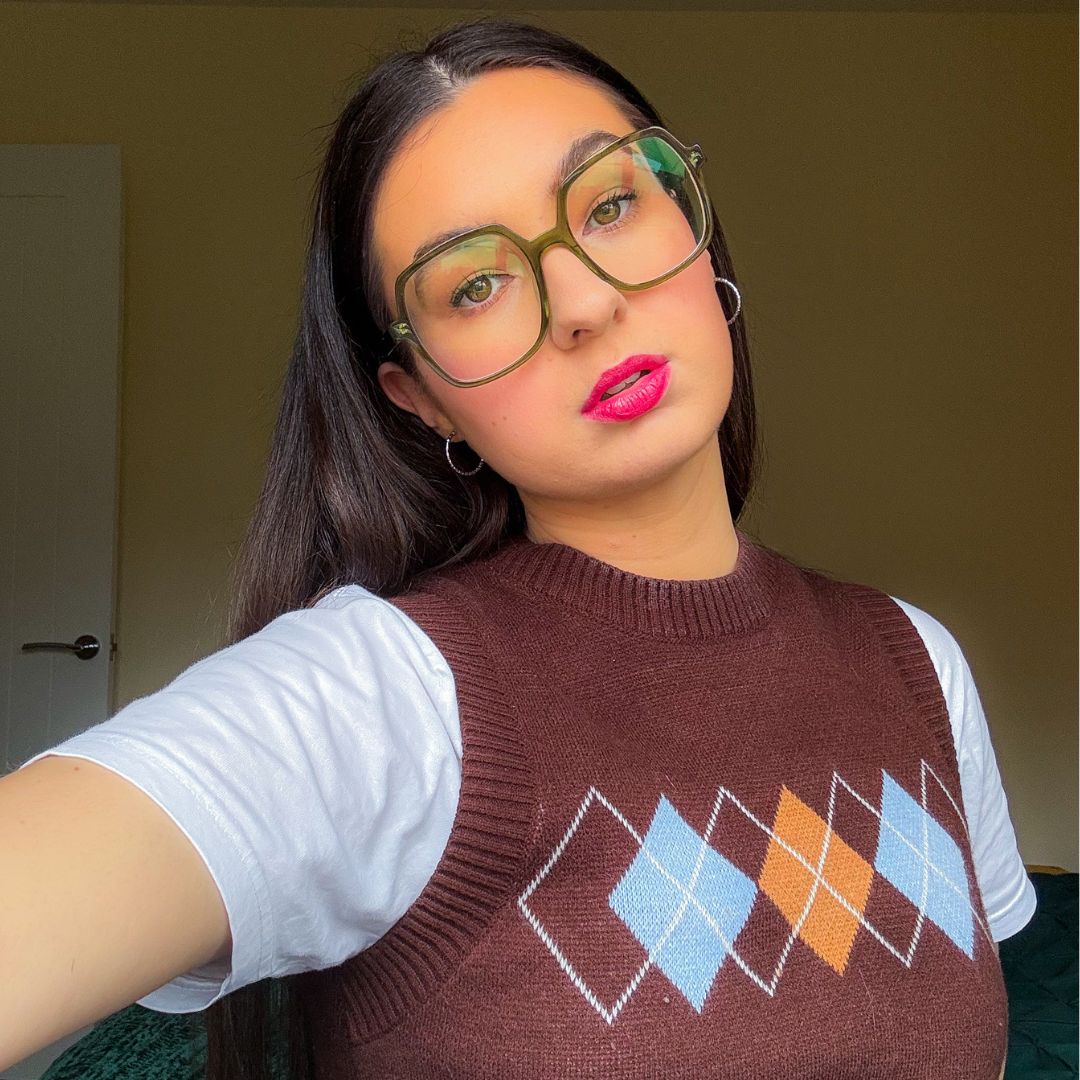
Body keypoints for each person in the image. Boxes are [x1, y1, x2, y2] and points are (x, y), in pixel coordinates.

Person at [0, 17, 1036, 1080]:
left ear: (695, 226)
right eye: (474, 285)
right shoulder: (388, 701)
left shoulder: (915, 660)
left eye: (613, 205)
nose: (585, 302)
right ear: (421, 398)